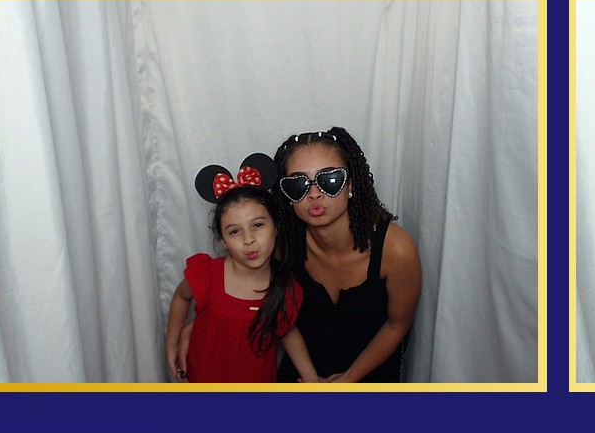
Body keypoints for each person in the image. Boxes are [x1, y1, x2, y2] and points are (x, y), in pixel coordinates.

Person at [272, 127, 422, 382]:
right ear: (287, 196)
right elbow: (280, 315)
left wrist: (347, 381)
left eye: (330, 180)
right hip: (305, 373)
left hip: (371, 373)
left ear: (350, 185)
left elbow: (397, 325)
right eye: (298, 184)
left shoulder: (396, 249)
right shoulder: (283, 246)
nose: (314, 194)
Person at [165, 153, 321, 383]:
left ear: (276, 227)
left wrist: (312, 379)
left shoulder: (285, 288)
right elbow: (181, 296)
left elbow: (288, 333)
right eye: (235, 231)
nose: (249, 240)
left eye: (257, 225)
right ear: (223, 240)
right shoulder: (207, 274)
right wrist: (172, 342)